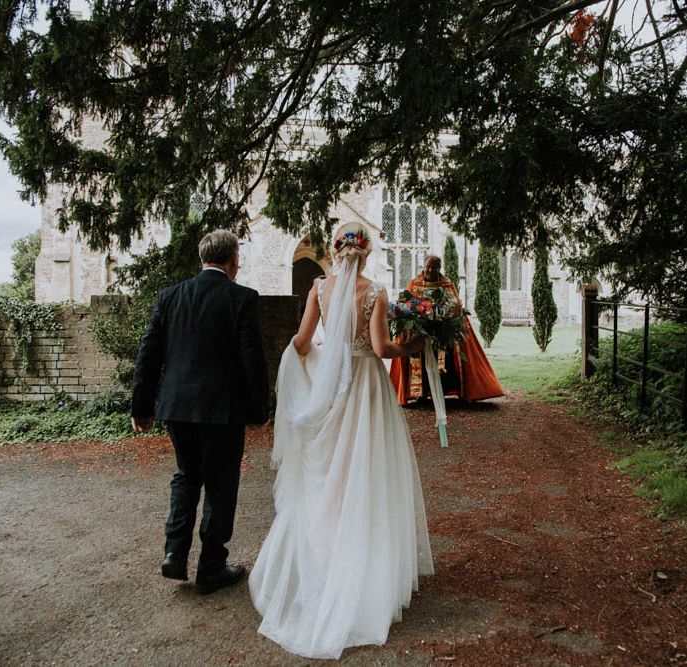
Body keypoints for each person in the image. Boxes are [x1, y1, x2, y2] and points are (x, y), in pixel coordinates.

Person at [248, 225, 434, 660]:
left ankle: (328, 555)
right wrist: (413, 346)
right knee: (365, 470)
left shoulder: (318, 288)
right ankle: (366, 564)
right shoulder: (376, 292)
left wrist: (304, 367)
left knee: (330, 472)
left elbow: (300, 340)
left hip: (334, 390)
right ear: (366, 255)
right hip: (367, 389)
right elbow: (381, 347)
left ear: (335, 253)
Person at [131, 229, 269, 594]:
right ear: (232, 259)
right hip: (223, 410)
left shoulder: (170, 296)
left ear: (202, 258)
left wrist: (142, 407)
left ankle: (174, 553)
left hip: (177, 407)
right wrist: (260, 409)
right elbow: (252, 359)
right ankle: (211, 565)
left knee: (187, 476)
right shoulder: (242, 298)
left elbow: (149, 354)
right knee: (221, 484)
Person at [390, 255, 504, 405]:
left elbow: (455, 304)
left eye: (435, 267)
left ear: (439, 268)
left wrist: (443, 313)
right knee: (420, 362)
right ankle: (420, 394)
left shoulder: (446, 284)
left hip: (442, 332)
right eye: (428, 266)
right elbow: (407, 304)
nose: (431, 269)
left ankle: (442, 392)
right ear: (424, 266)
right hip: (420, 333)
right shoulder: (415, 283)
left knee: (445, 362)